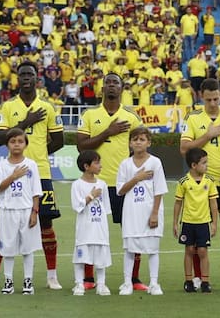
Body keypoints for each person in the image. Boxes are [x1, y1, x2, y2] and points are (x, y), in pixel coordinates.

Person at [0, 62, 64, 291]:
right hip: (12, 172)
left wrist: (38, 155)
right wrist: (27, 122)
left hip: (41, 173)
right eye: (23, 74)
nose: (26, 77)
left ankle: (52, 277)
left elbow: (59, 140)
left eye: (30, 74)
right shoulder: (8, 106)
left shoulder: (47, 107)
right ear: (17, 79)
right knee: (4, 223)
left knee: (45, 222)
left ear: (37, 79)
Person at [76, 72, 142, 289]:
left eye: (116, 82)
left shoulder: (131, 117)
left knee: (132, 232)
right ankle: (88, 278)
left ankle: (133, 279)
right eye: (108, 83)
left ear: (122, 89)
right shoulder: (89, 114)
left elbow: (141, 147)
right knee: (91, 231)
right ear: (102, 88)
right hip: (96, 185)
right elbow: (81, 146)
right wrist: (108, 132)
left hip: (125, 184)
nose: (112, 85)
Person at [180, 78, 220, 286]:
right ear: (201, 96)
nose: (213, 103)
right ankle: (199, 277)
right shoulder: (193, 118)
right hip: (203, 185)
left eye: (216, 99)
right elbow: (184, 149)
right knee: (197, 235)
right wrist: (208, 135)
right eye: (209, 100)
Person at [117, 126, 167, 296]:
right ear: (130, 143)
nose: (138, 142)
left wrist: (155, 213)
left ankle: (154, 283)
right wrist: (136, 178)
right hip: (131, 212)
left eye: (142, 139)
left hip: (149, 211)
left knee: (153, 249)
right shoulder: (125, 164)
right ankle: (127, 283)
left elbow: (159, 189)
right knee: (130, 249)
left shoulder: (155, 162)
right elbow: (120, 190)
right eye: (135, 139)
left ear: (148, 143)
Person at [0, 127, 43, 295]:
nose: (16, 144)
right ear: (7, 144)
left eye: (20, 141)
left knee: (28, 248)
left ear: (26, 144)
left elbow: (36, 190)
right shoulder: (2, 165)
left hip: (26, 211)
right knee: (7, 248)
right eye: (13, 141)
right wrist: (13, 176)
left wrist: (35, 212)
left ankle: (28, 281)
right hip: (8, 211)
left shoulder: (31, 165)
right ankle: (8, 281)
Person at [173, 148, 219, 293]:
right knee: (189, 250)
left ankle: (205, 281)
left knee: (203, 251)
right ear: (194, 165)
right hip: (188, 222)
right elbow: (178, 203)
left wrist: (214, 223)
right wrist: (175, 223)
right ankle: (188, 281)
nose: (207, 165)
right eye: (204, 163)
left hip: (203, 222)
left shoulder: (210, 181)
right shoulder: (183, 182)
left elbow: (213, 204)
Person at [70, 150, 112, 296]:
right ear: (86, 166)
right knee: (81, 256)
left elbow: (105, 207)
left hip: (100, 227)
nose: (100, 166)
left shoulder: (102, 184)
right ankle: (79, 283)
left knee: (101, 255)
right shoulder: (77, 185)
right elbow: (77, 206)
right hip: (84, 228)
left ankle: (101, 284)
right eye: (97, 163)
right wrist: (91, 196)